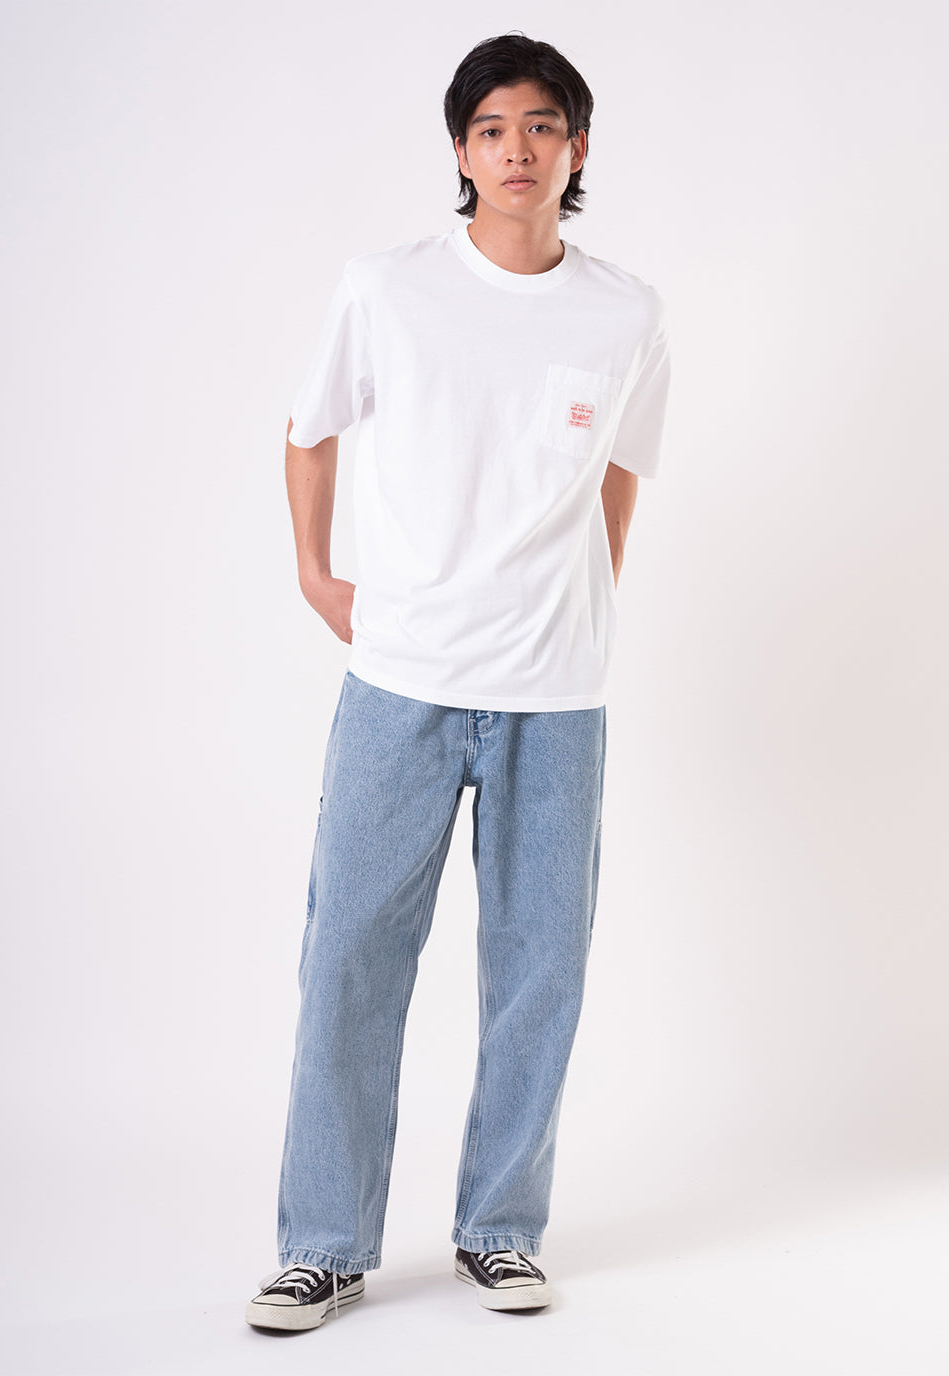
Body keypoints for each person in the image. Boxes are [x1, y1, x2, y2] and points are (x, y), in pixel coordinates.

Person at [245, 32, 671, 1331]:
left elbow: (621, 470)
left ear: (577, 148)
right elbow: (309, 429)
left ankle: (501, 1230)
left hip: (557, 694)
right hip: (405, 679)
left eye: (542, 127)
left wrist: (587, 598)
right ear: (462, 151)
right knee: (350, 957)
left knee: (541, 968)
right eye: (493, 129)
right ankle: (323, 1244)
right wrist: (317, 576)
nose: (518, 150)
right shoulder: (388, 289)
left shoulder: (626, 312)